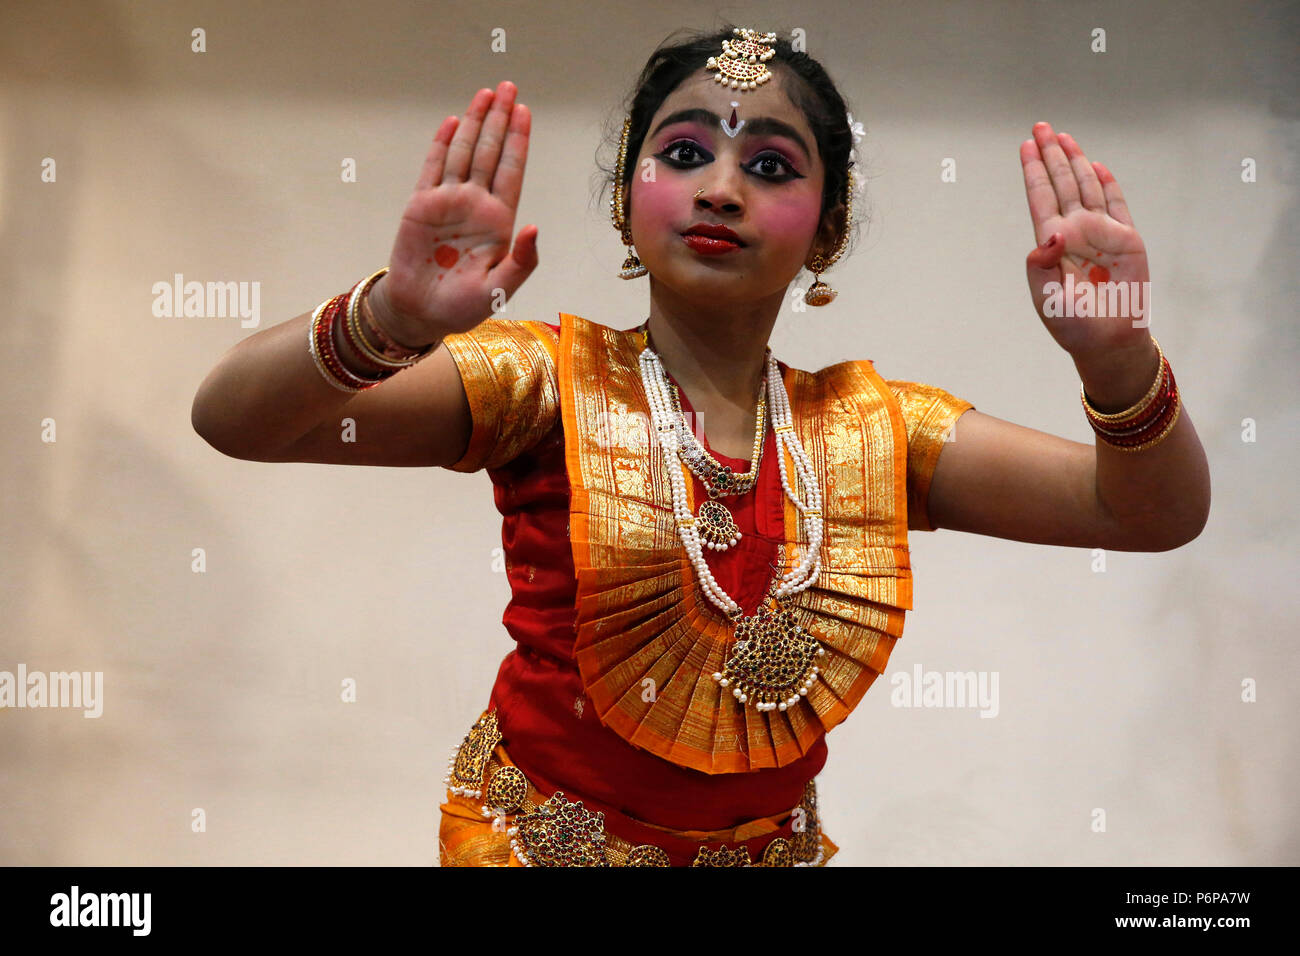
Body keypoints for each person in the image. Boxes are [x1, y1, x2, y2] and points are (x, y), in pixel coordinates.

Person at [191, 25, 1211, 867]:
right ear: (629, 203)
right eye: (684, 154)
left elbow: (1147, 512)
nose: (721, 187)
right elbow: (236, 417)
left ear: (827, 229)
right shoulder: (542, 383)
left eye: (770, 166)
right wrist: (394, 316)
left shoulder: (870, 429)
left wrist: (1115, 357)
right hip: (537, 850)